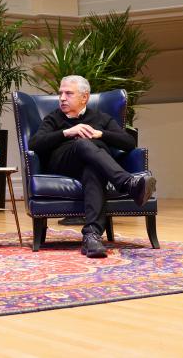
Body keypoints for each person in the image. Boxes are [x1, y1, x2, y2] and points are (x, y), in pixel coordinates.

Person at [28, 75, 156, 258]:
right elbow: (34, 144)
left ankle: (92, 236)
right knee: (82, 143)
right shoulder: (53, 118)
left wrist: (100, 134)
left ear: (84, 97)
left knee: (94, 170)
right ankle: (128, 183)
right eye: (60, 93)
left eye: (68, 93)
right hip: (64, 163)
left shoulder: (100, 118)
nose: (62, 98)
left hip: (93, 164)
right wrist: (67, 132)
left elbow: (128, 142)